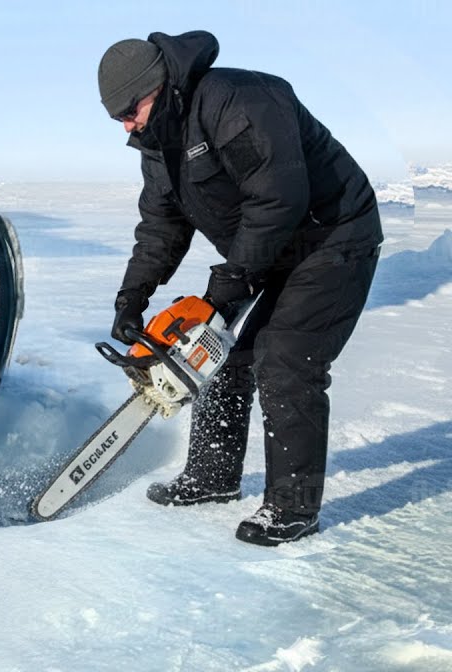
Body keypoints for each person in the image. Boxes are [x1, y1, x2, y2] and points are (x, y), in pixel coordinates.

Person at [96, 30, 382, 546]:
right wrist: (130, 298)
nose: (125, 125)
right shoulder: (157, 144)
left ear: (157, 86)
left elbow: (278, 199)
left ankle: (292, 509)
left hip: (331, 236)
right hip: (267, 250)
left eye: (129, 110)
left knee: (286, 359)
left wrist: (227, 286)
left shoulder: (236, 100)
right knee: (220, 354)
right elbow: (161, 228)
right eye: (115, 116)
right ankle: (212, 479)